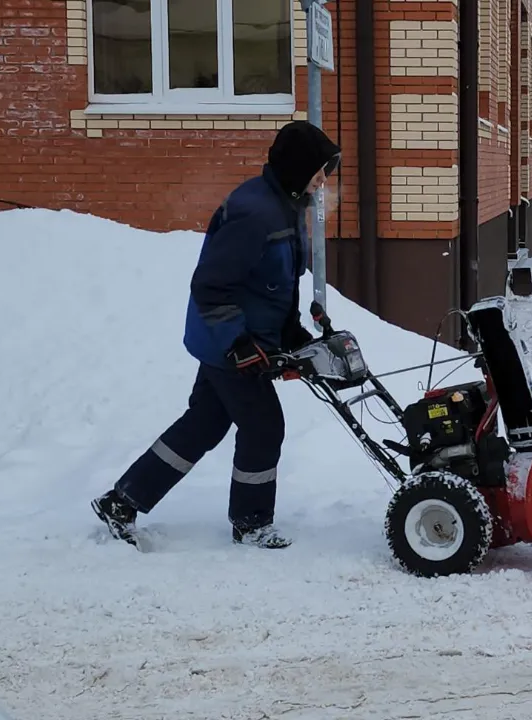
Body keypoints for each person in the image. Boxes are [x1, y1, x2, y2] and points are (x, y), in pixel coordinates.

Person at [91, 121, 342, 550]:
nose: (322, 182)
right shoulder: (254, 214)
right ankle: (250, 521)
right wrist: (238, 343)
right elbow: (211, 285)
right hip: (229, 344)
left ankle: (122, 501)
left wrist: (290, 332)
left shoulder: (286, 206)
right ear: (297, 168)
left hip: (249, 339)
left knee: (202, 426)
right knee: (264, 427)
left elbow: (278, 284)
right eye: (318, 172)